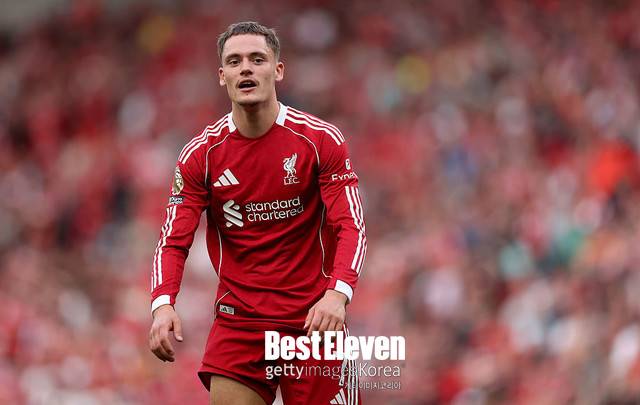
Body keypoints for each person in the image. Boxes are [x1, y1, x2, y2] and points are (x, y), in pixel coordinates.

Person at [148, 21, 366, 405]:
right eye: (234, 61)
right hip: (241, 321)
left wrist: (338, 294)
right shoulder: (201, 155)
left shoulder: (319, 140)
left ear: (277, 70)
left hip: (313, 319)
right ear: (222, 76)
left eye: (257, 59)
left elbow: (350, 226)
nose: (245, 68)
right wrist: (163, 303)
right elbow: (173, 240)